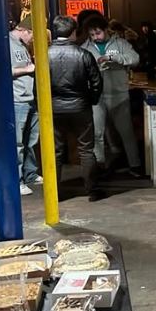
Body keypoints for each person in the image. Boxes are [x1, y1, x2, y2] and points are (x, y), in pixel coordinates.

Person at [49, 15, 104, 201]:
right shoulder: (83, 54)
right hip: (81, 107)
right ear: (73, 32)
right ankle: (92, 190)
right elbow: (97, 83)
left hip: (54, 109)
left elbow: (38, 84)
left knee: (55, 150)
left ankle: (54, 192)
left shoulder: (45, 54)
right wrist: (92, 100)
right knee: (86, 149)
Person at [80, 16, 142, 177]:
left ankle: (135, 165)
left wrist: (114, 58)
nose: (95, 37)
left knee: (126, 132)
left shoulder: (120, 44)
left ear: (106, 29)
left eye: (98, 33)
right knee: (97, 133)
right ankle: (99, 165)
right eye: (92, 35)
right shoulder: (85, 47)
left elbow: (135, 59)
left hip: (119, 95)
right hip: (97, 97)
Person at [10, 16, 41, 195]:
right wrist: (26, 69)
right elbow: (4, 69)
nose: (33, 40)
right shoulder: (8, 44)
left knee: (31, 140)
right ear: (25, 30)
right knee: (18, 142)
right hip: (17, 99)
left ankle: (30, 173)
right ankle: (18, 179)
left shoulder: (22, 45)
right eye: (33, 36)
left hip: (29, 98)